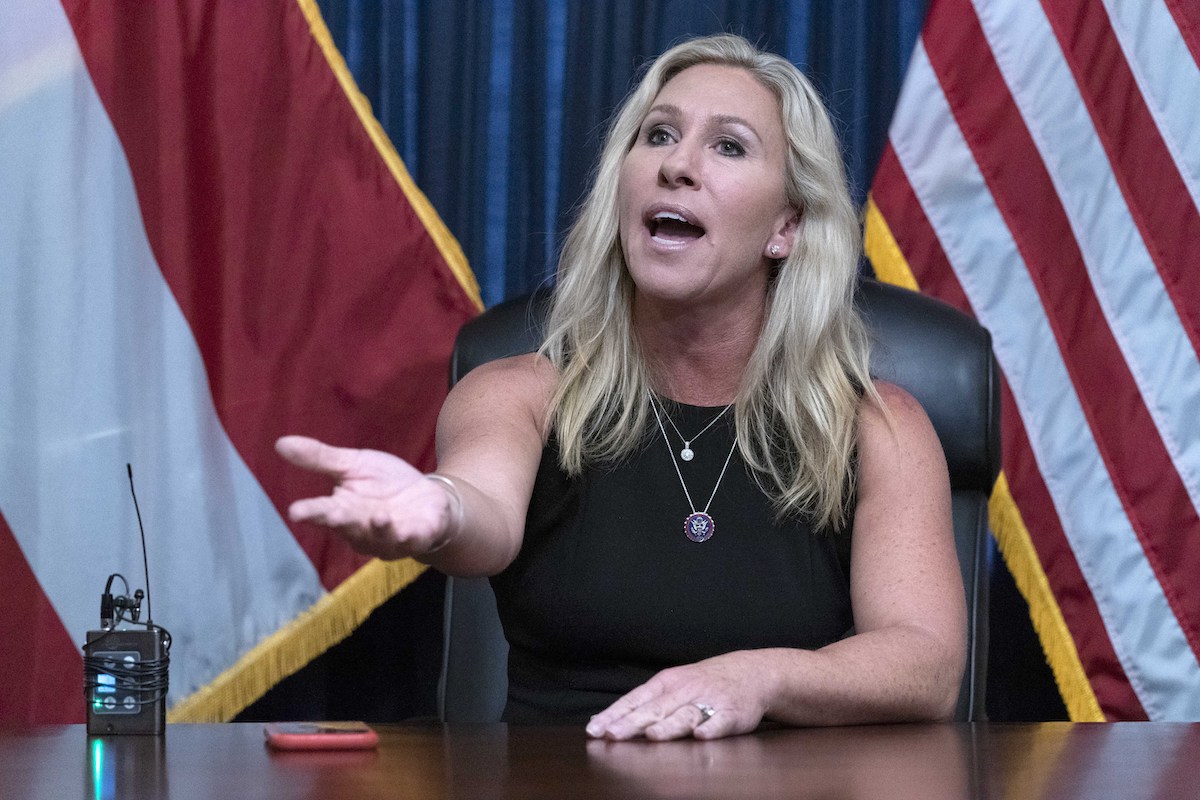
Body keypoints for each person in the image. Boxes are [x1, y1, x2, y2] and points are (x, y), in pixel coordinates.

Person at [276, 33, 965, 741]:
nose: (677, 165)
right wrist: (442, 510)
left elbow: (927, 664)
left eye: (729, 146)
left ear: (785, 227)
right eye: (659, 135)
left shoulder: (878, 428)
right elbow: (483, 511)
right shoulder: (518, 392)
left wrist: (759, 677)